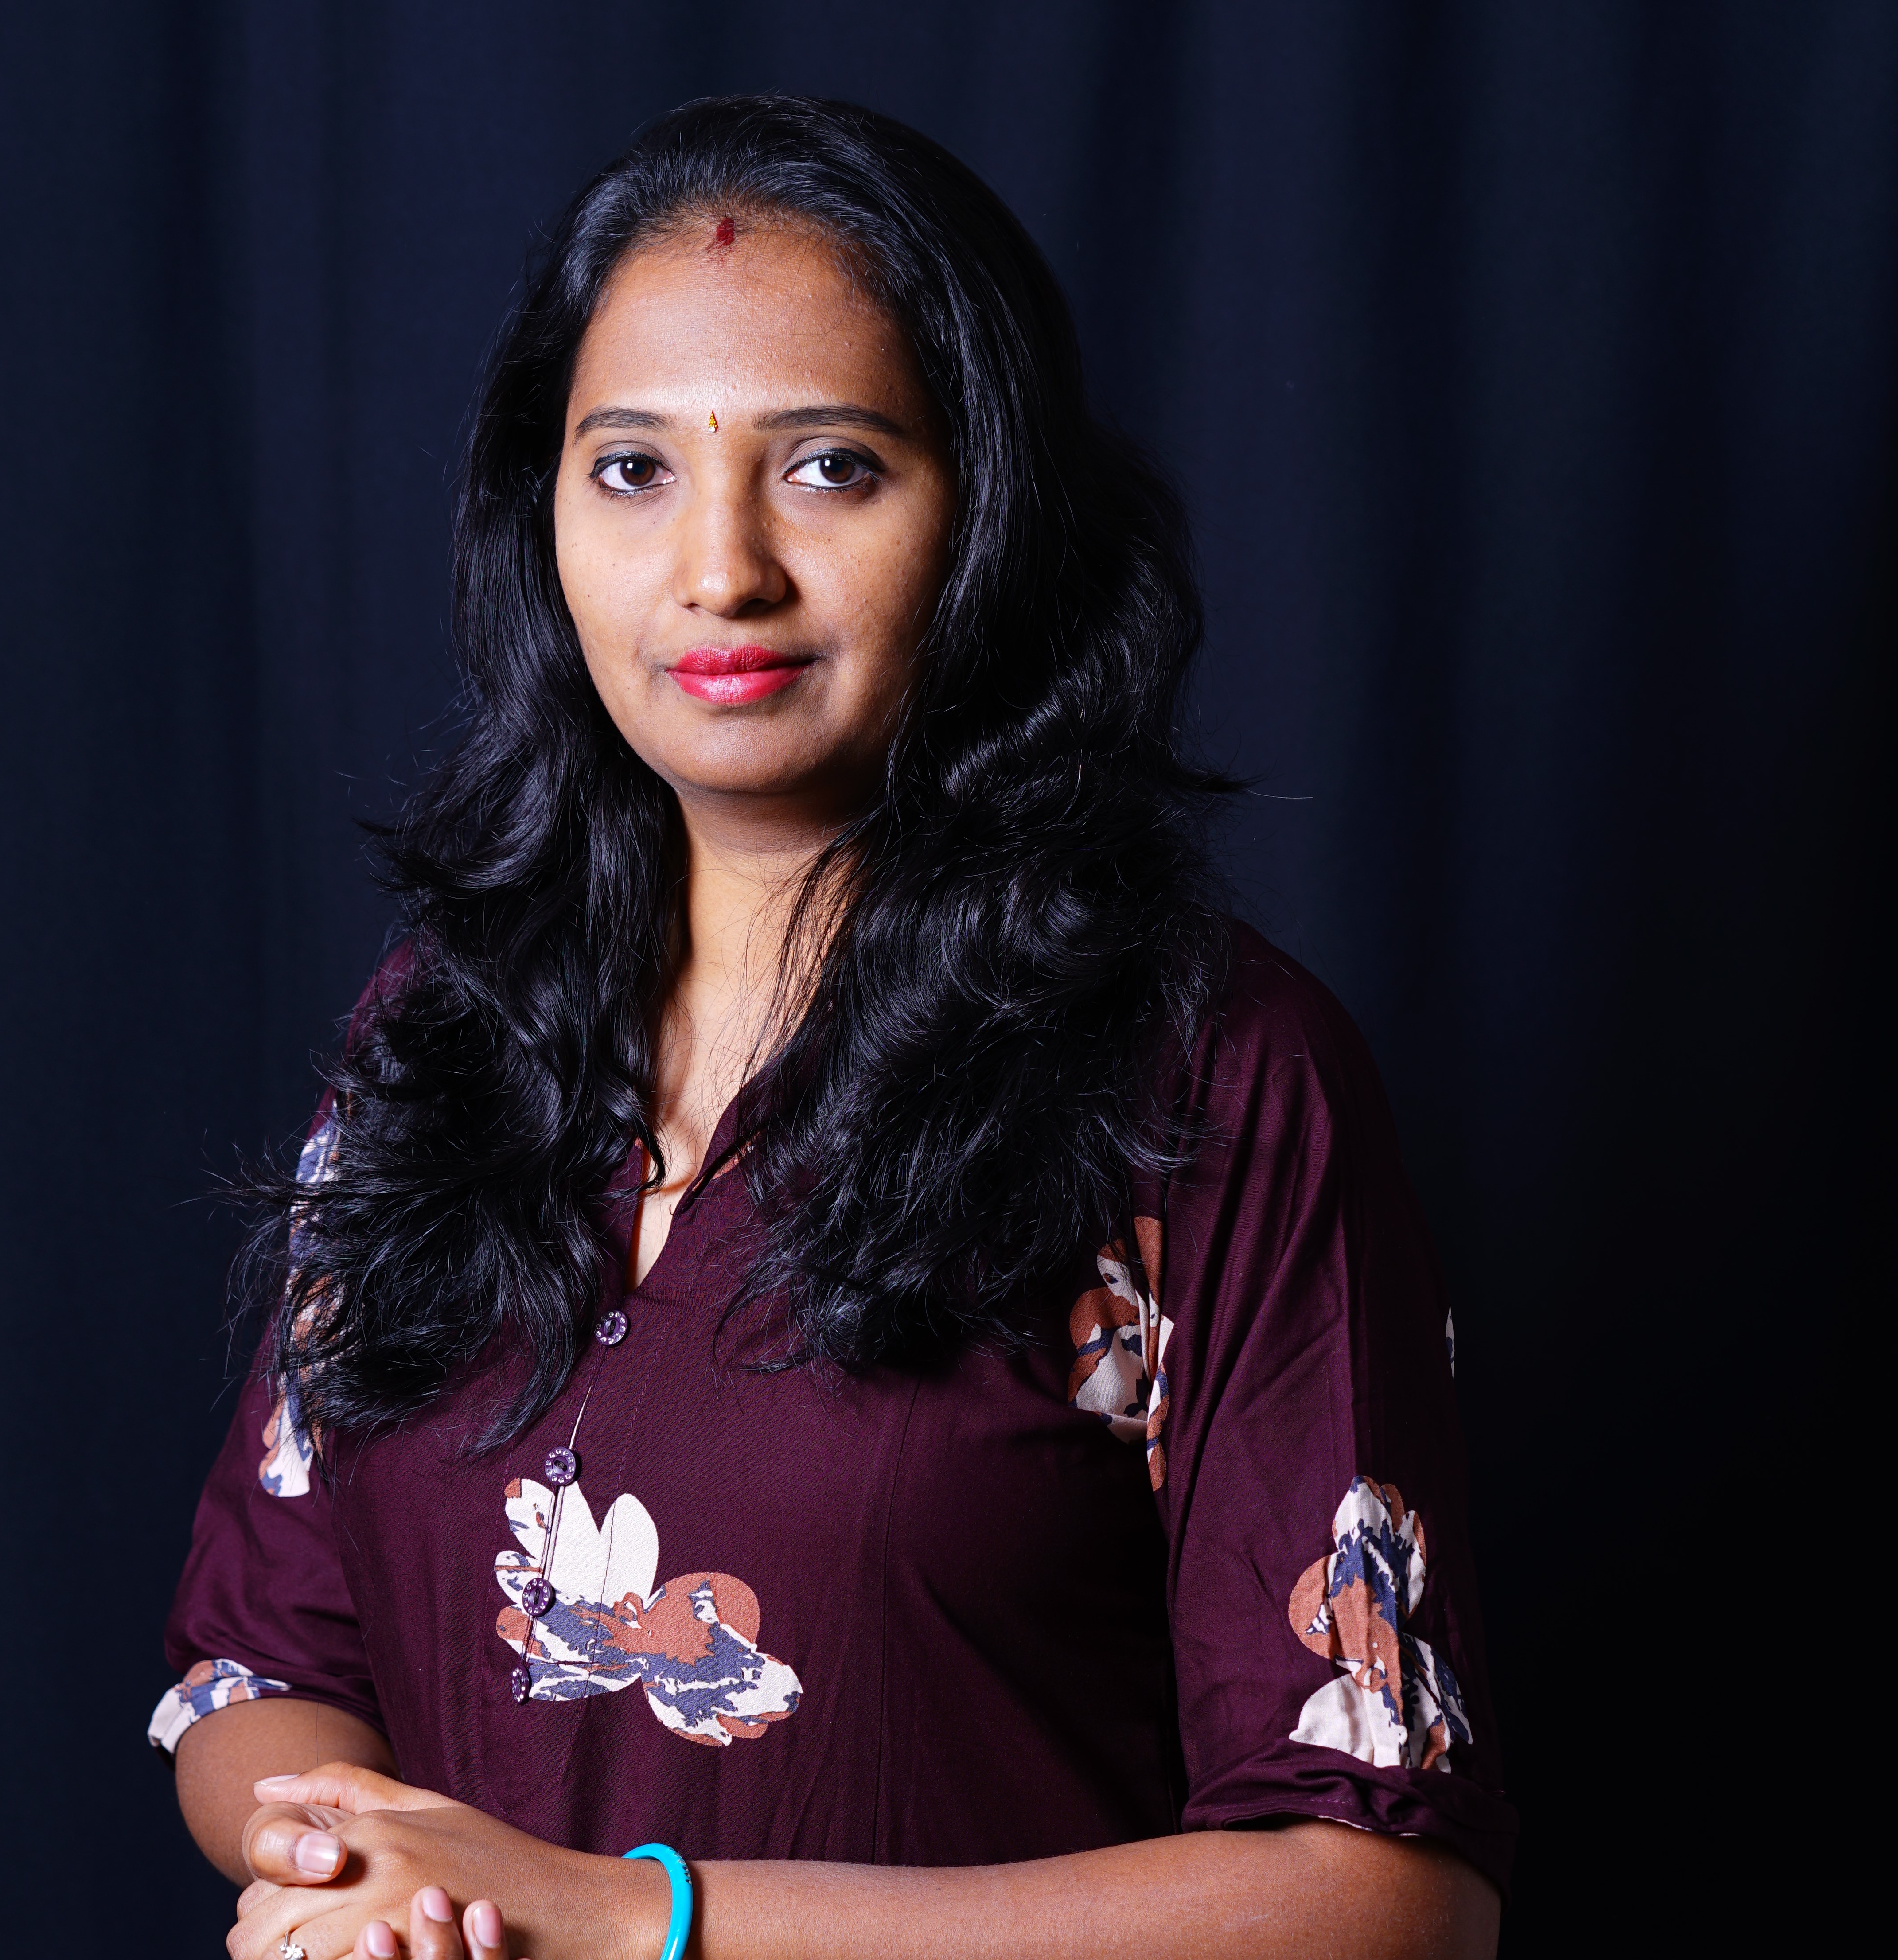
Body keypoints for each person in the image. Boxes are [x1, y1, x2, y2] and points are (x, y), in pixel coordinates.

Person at [153, 95, 1514, 1960]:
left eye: (830, 467)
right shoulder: (445, 1030)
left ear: (988, 509)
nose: (720, 569)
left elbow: (1382, 1895)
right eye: (632, 467)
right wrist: (367, 1873)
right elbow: (253, 1666)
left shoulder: (1204, 1080)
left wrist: (644, 1918)